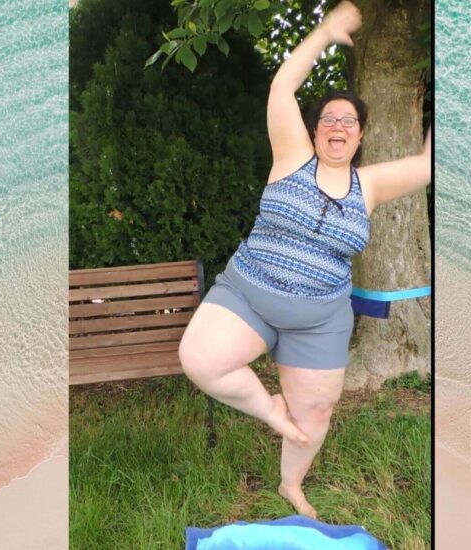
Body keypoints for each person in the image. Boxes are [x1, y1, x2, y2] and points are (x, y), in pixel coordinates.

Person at [178, 0, 431, 519]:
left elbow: (427, 165)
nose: (339, 125)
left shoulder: (371, 185)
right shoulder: (292, 155)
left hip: (320, 319)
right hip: (248, 294)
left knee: (316, 411)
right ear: (316, 130)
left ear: (360, 135)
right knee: (201, 360)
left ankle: (291, 485)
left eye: (351, 120)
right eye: (330, 118)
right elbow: (281, 88)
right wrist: (326, 32)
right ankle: (269, 410)